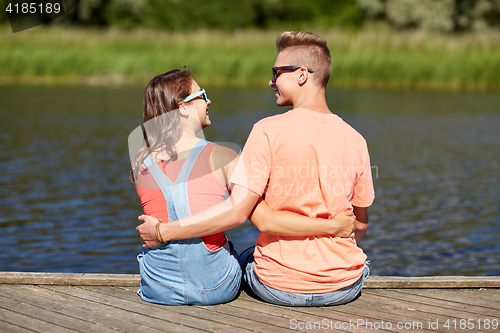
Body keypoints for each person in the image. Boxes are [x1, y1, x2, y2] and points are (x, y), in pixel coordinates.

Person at [130, 69, 357, 306]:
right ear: (183, 107)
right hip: (216, 286)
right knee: (252, 255)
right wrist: (332, 224)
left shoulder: (140, 163)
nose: (209, 101)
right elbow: (250, 214)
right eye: (202, 94)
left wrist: (161, 231)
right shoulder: (222, 156)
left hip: (159, 287)